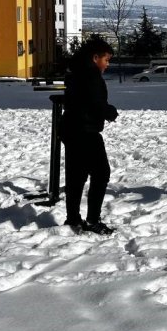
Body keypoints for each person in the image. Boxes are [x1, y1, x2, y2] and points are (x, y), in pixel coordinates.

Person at [61, 38, 119, 234]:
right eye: (106, 60)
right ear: (95, 58)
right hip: (85, 131)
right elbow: (93, 104)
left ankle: (73, 218)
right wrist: (109, 111)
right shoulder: (91, 76)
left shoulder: (76, 72)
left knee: (76, 176)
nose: (108, 64)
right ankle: (93, 220)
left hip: (71, 129)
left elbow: (77, 99)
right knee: (101, 173)